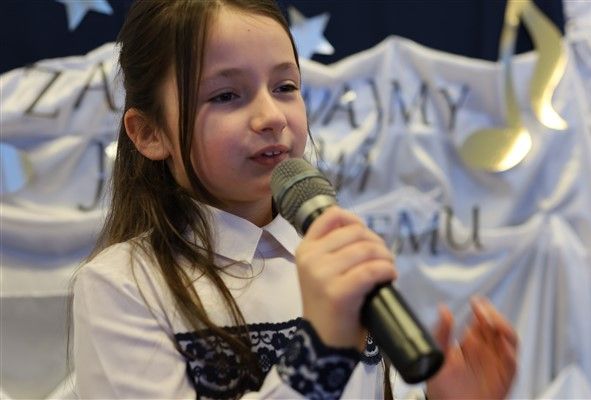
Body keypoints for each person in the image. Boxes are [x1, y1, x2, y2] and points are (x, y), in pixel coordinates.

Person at [72, 0, 519, 399]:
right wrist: (320, 352)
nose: (271, 117)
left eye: (285, 87)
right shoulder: (123, 285)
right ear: (149, 133)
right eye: (226, 95)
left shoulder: (332, 259)